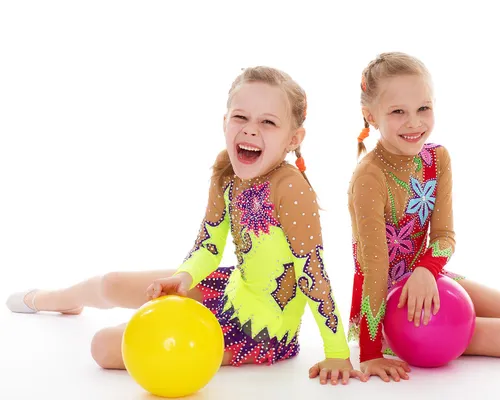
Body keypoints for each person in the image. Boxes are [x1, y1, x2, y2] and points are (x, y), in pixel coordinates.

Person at [6, 66, 366, 386]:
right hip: (230, 288)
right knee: (112, 282)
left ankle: (128, 320)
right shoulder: (227, 169)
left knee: (104, 346)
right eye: (241, 117)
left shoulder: (290, 188)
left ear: (293, 138)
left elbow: (312, 274)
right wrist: (184, 278)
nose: (251, 130)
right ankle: (54, 300)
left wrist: (336, 350)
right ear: (224, 121)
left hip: (259, 330)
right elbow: (208, 246)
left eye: (268, 122)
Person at [346, 52, 500, 382]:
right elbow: (375, 267)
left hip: (429, 274)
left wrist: (425, 270)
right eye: (397, 111)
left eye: (423, 108)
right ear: (370, 115)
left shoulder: (437, 159)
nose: (414, 122)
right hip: (391, 300)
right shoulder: (369, 178)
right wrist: (370, 352)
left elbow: (445, 237)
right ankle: (390, 336)